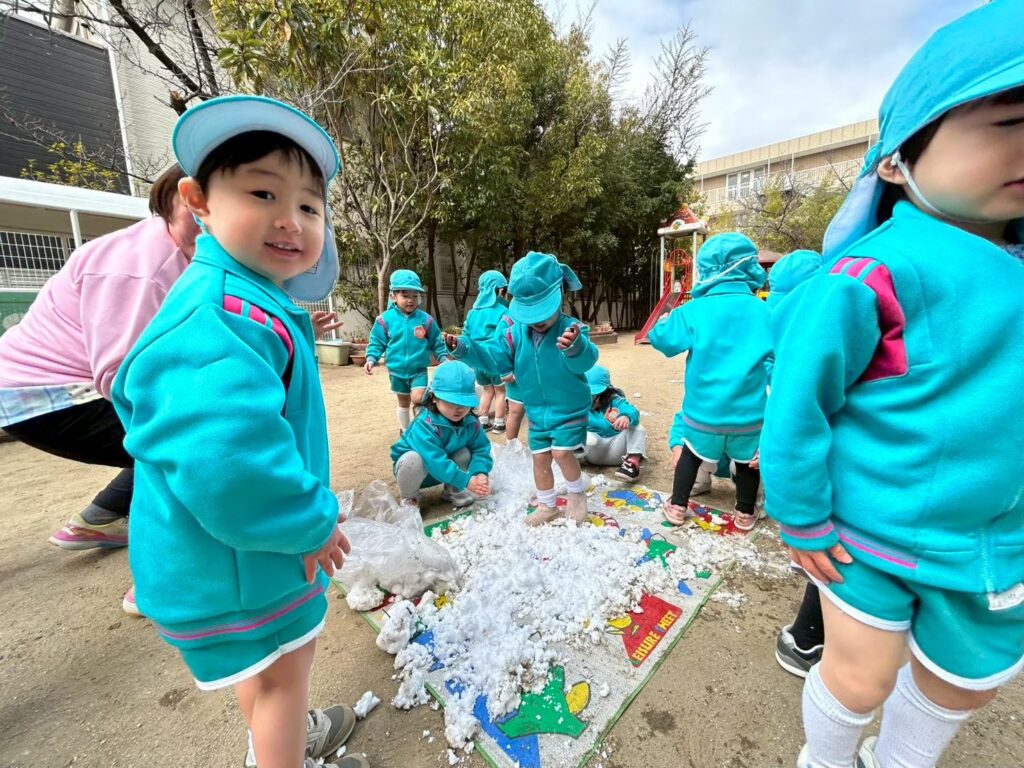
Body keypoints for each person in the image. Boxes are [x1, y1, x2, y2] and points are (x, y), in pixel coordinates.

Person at [761, 4, 1024, 766]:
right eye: (1008, 123)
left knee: (962, 682)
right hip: (874, 529)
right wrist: (801, 513)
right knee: (860, 673)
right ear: (894, 161)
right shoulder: (871, 273)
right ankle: (826, 757)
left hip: (997, 539)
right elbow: (797, 401)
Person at [111, 95, 368, 768]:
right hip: (245, 562)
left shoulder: (244, 298)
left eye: (309, 205)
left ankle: (277, 744)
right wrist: (311, 522)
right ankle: (283, 750)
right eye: (263, 193)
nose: (291, 219)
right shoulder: (222, 313)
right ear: (198, 200)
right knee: (284, 675)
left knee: (263, 668)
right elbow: (228, 460)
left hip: (231, 561)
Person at [0, 164, 198, 565]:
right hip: (46, 392)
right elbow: (122, 375)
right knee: (200, 437)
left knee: (187, 429)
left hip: (61, 385)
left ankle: (101, 517)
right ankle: (173, 567)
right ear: (177, 198)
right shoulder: (142, 267)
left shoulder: (182, 255)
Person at [446, 251, 598, 526]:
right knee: (539, 458)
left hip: (569, 408)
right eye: (529, 312)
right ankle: (547, 505)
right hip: (537, 410)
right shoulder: (515, 331)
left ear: (559, 293)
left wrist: (575, 348)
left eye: (542, 309)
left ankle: (576, 495)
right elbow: (494, 358)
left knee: (561, 453)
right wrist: (465, 348)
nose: (536, 320)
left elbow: (586, 361)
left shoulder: (571, 329)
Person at [650, 232, 772, 533]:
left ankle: (677, 506)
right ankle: (745, 512)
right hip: (749, 416)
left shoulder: (693, 310)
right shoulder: (766, 310)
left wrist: (664, 321)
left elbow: (663, 341)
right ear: (747, 267)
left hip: (704, 413)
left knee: (691, 453)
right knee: (746, 462)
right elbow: (778, 358)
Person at [390, 361, 494, 511]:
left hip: (445, 471)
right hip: (418, 472)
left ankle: (453, 489)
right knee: (412, 459)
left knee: (465, 452)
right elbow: (434, 460)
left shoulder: (470, 422)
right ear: (433, 397)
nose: (459, 409)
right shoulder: (424, 424)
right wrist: (466, 480)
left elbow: (481, 449)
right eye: (451, 402)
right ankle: (409, 496)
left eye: (465, 403)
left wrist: (480, 472)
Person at [364, 269, 450, 432]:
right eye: (405, 296)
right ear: (393, 297)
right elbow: (376, 342)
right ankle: (405, 430)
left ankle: (423, 428)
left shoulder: (425, 320)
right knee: (403, 402)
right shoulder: (384, 320)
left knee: (418, 398)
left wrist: (443, 358)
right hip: (396, 371)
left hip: (418, 370)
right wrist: (371, 358)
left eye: (415, 296)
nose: (410, 300)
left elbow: (437, 342)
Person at [461, 270, 509, 432]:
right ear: (499, 291)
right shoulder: (503, 311)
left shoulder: (472, 313)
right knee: (501, 391)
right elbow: (506, 336)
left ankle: (482, 421)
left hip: (477, 361)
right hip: (495, 360)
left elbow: (465, 335)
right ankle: (499, 423)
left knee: (487, 390)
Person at [580, 365, 646, 481]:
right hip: (593, 451)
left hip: (617, 451)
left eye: (593, 396)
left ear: (605, 392)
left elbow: (633, 411)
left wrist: (626, 416)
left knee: (637, 427)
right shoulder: (577, 404)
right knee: (584, 435)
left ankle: (632, 463)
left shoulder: (615, 401)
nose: (589, 400)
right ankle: (570, 464)